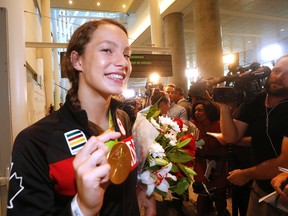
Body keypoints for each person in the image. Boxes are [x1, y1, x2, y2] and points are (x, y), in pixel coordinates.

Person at [7, 18, 155, 216]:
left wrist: (141, 189)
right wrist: (83, 208)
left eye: (126, 54)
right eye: (107, 50)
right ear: (77, 60)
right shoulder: (34, 142)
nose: (123, 63)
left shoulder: (122, 120)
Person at [218, 54, 288, 216]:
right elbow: (231, 137)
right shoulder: (257, 101)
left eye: (287, 74)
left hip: (283, 189)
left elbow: (284, 162)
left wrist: (246, 174)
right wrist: (224, 107)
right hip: (260, 187)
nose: (280, 77)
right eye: (277, 70)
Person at [191, 99, 230, 216]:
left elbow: (225, 149)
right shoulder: (193, 126)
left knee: (219, 195)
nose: (197, 113)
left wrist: (219, 168)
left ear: (208, 111)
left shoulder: (219, 125)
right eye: (195, 110)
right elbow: (192, 145)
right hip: (201, 164)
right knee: (203, 194)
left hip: (219, 163)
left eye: (200, 110)